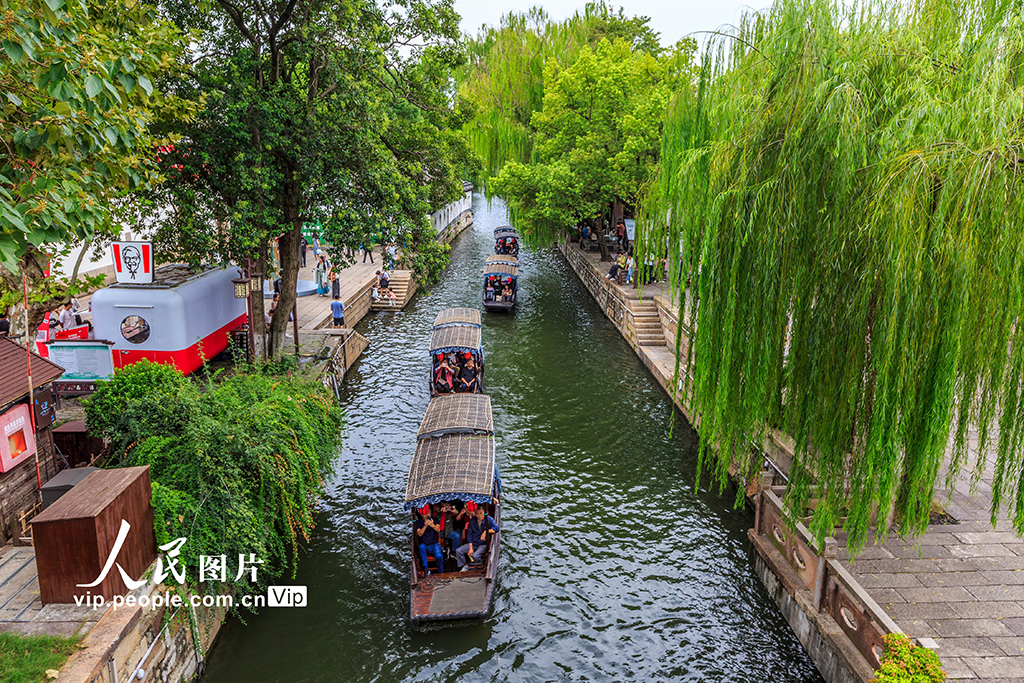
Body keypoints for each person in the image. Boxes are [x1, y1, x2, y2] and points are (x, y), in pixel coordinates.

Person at [456, 503, 498, 571]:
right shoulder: (472, 521)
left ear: (484, 512)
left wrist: (485, 532)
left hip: (483, 544)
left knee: (475, 556)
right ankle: (464, 565)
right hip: (474, 542)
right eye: (477, 514)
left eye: (481, 513)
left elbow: (496, 529)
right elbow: (469, 535)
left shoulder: (489, 519)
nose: (479, 516)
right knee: (458, 551)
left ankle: (479, 566)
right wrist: (470, 548)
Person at [415, 505, 444, 576]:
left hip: (434, 544)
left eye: (428, 513)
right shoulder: (419, 522)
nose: (427, 515)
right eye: (425, 513)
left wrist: (432, 525)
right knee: (421, 547)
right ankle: (426, 568)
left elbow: (438, 529)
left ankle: (441, 572)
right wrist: (425, 526)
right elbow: (419, 534)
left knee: (439, 556)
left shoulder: (435, 520)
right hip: (425, 545)